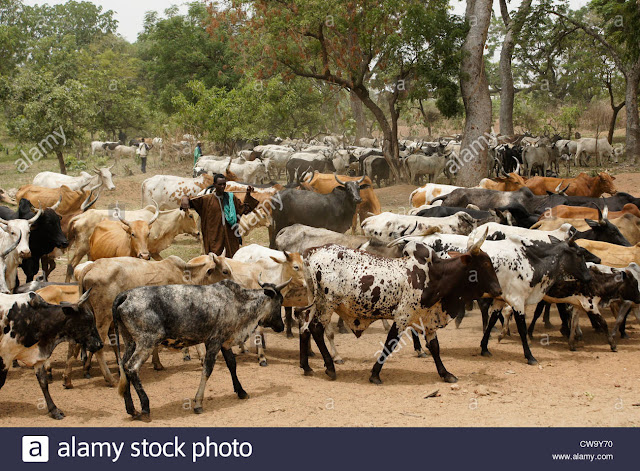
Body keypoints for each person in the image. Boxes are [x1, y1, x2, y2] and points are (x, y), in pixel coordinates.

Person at [185, 174, 258, 257]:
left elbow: (245, 209)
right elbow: (190, 202)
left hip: (230, 235)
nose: (222, 186)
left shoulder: (231, 198)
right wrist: (185, 199)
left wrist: (248, 195)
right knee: (214, 259)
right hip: (214, 236)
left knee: (231, 258)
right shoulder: (206, 200)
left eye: (224, 184)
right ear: (214, 185)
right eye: (220, 184)